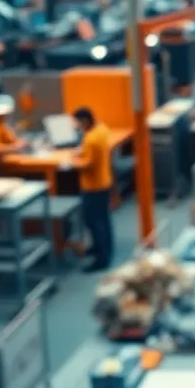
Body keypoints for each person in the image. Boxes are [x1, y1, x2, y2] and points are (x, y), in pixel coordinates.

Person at [69, 107, 115, 272]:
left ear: (85, 121)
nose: (76, 126)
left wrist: (72, 163)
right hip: (104, 182)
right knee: (103, 220)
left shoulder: (90, 138)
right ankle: (103, 249)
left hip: (93, 186)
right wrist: (82, 151)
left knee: (93, 221)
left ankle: (101, 259)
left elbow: (88, 164)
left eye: (78, 123)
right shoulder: (101, 130)